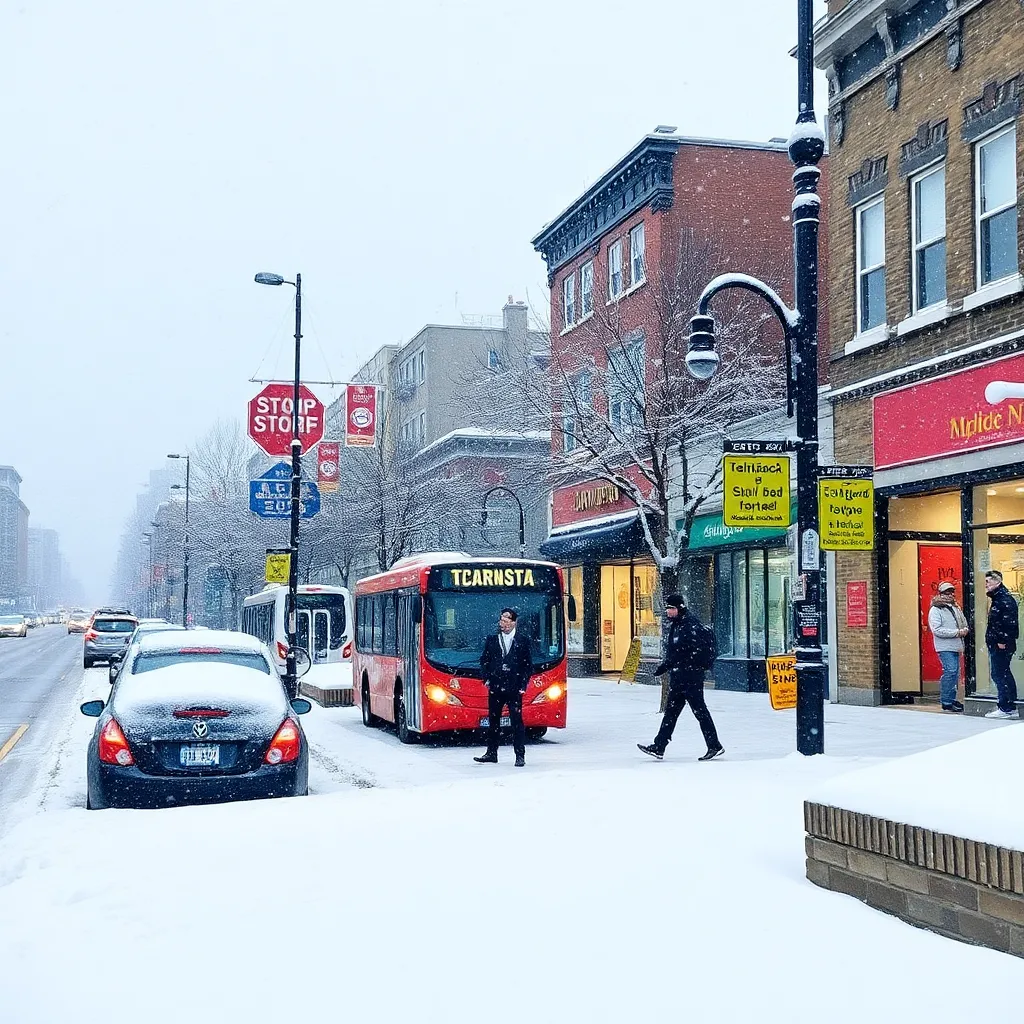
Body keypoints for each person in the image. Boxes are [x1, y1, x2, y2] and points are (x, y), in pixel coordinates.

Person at [638, 594, 724, 761]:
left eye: (672, 608)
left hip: (690, 678)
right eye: (668, 609)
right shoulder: (678, 625)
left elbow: (687, 653)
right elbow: (676, 652)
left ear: (680, 608)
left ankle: (714, 745)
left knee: (700, 711)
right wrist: (665, 667)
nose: (668, 612)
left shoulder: (689, 626)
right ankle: (659, 746)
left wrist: (682, 667)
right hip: (680, 677)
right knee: (671, 712)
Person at [474, 608, 532, 766]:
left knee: (516, 722)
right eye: (502, 621)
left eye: (507, 621)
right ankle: (491, 753)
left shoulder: (522, 641)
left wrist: (523, 685)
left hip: (514, 688)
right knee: (493, 721)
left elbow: (527, 665)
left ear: (514, 622)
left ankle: (520, 755)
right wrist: (486, 678)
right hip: (496, 686)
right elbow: (484, 660)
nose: (504, 624)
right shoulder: (492, 640)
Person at [984, 570, 1020, 720]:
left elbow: (1008, 623)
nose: (985, 585)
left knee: (1000, 673)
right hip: (998, 643)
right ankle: (1008, 705)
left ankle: (1006, 706)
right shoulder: (998, 599)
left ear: (997, 582)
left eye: (988, 582)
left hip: (1001, 644)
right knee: (1002, 673)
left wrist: (1002, 641)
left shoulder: (1004, 599)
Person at [927, 581, 967, 712]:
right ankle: (946, 701)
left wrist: (965, 629)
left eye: (951, 592)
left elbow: (963, 622)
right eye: (946, 592)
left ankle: (951, 699)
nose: (950, 595)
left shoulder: (955, 607)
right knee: (950, 672)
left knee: (954, 673)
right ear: (940, 594)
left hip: (956, 645)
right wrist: (957, 633)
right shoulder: (936, 609)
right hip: (945, 646)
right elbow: (937, 630)